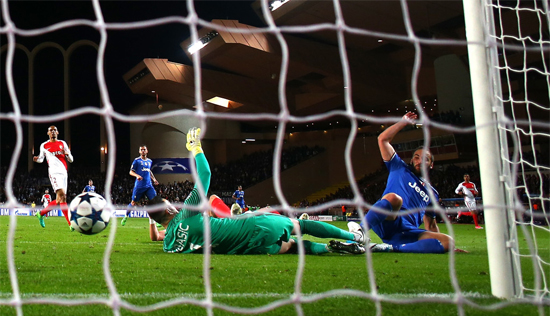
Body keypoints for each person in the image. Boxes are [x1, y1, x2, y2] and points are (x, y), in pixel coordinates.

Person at [148, 127, 365, 255]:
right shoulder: (186, 212)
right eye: (169, 204)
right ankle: (355, 236)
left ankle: (329, 249)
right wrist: (195, 147)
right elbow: (204, 175)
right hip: (252, 226)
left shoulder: (169, 246)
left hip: (250, 248)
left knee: (291, 246)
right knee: (300, 225)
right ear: (167, 210)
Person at [359, 112, 456, 253]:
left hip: (408, 231)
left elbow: (431, 225)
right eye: (416, 157)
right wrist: (403, 122)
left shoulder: (432, 193)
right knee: (393, 198)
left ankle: (392, 248)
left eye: (425, 158)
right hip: (390, 221)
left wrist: (439, 241)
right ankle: (359, 232)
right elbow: (382, 140)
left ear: (431, 165)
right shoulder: (399, 167)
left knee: (449, 242)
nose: (420, 160)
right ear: (411, 160)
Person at [33, 125, 74, 229]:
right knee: (62, 196)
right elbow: (41, 159)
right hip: (54, 173)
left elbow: (71, 160)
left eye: (55, 130)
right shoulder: (44, 145)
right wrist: (37, 159)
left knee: (60, 200)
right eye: (51, 131)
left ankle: (41, 214)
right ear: (48, 133)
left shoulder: (62, 143)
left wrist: (67, 155)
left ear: (58, 132)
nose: (53, 132)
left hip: (64, 173)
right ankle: (70, 223)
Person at [120, 145, 159, 226]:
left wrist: (154, 179)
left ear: (147, 151)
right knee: (133, 203)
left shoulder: (149, 161)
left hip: (148, 186)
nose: (143, 151)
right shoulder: (137, 161)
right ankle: (126, 216)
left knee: (155, 201)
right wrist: (137, 175)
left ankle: (157, 220)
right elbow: (131, 172)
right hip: (139, 186)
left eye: (144, 149)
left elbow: (149, 171)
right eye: (141, 150)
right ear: (139, 151)